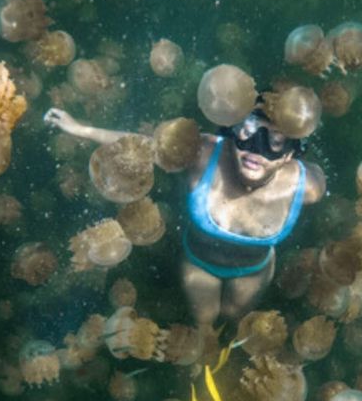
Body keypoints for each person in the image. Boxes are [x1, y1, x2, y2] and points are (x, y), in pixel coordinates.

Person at [44, 102, 325, 326]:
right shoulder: (202, 153)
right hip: (199, 264)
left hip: (254, 270)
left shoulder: (307, 187)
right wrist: (83, 129)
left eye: (275, 140)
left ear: (290, 154)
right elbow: (143, 147)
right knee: (203, 322)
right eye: (250, 129)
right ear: (236, 127)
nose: (256, 148)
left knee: (234, 318)